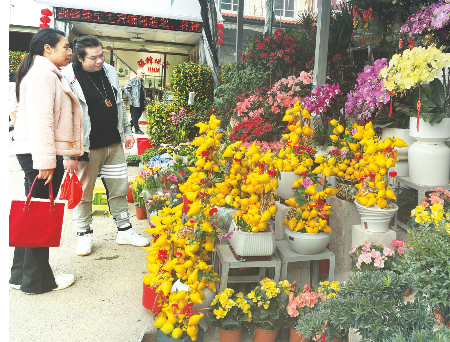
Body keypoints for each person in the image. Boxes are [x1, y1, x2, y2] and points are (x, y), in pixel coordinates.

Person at [61, 35, 150, 256]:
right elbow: (64, 117)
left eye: (101, 54)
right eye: (94, 57)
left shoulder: (109, 70)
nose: (100, 60)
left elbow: (119, 103)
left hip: (113, 143)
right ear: (79, 58)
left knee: (119, 188)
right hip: (85, 147)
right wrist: (69, 153)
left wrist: (127, 131)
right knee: (83, 193)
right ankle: (84, 235)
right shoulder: (67, 76)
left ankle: (124, 230)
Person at [11, 28, 84, 294]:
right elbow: (43, 122)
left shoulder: (43, 72)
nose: (70, 52)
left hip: (34, 152)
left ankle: (20, 274)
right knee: (40, 216)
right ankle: (38, 281)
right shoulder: (43, 75)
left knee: (32, 213)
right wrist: (46, 161)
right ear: (47, 49)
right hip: (39, 153)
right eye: (65, 47)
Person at [123, 68, 146, 134]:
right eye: (141, 73)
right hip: (134, 102)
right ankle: (137, 129)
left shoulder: (142, 81)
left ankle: (128, 127)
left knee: (138, 115)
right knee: (134, 116)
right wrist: (129, 96)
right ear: (137, 74)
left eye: (143, 73)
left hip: (141, 101)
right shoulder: (133, 80)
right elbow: (125, 87)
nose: (143, 74)